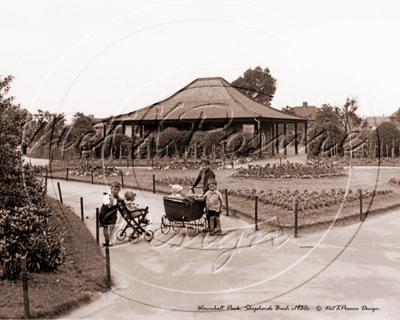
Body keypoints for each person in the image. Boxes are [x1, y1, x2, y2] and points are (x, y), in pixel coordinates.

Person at [191, 159, 216, 231]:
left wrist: (204, 192)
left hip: (210, 192)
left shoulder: (211, 173)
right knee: (206, 209)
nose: (204, 167)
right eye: (202, 165)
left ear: (208, 166)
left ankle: (213, 227)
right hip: (205, 192)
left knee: (210, 209)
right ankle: (209, 226)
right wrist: (193, 186)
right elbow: (198, 179)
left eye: (205, 165)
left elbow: (209, 183)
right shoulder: (201, 171)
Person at [100, 181, 123, 246]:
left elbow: (122, 199)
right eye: (114, 189)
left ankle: (109, 241)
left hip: (113, 213)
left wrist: (118, 197)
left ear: (120, 190)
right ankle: (106, 241)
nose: (116, 191)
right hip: (105, 212)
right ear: (111, 189)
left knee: (112, 226)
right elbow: (109, 206)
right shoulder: (107, 197)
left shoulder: (118, 195)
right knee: (105, 227)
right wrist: (111, 199)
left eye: (118, 189)